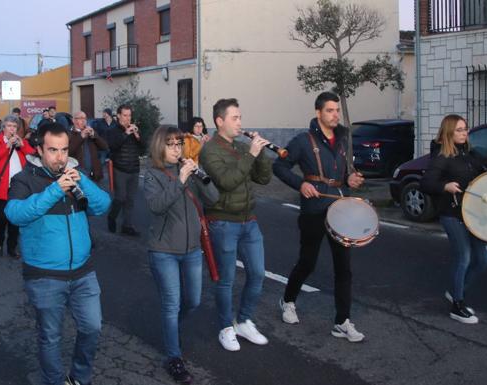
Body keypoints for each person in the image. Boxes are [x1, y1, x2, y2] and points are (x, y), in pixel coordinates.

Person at [5, 122, 111, 385]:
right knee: (51, 335)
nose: (60, 157)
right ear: (39, 149)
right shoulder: (24, 179)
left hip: (82, 271)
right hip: (44, 274)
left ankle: (79, 377)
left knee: (92, 327)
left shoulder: (74, 174)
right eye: (53, 150)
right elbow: (15, 214)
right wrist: (54, 190)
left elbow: (103, 205)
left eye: (64, 150)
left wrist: (80, 180)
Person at [273, 91, 365, 342]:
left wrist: (351, 180)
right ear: (318, 113)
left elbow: (344, 173)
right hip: (313, 210)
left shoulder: (344, 138)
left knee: (344, 268)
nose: (335, 114)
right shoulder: (303, 141)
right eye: (330, 110)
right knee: (308, 263)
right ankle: (288, 300)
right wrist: (300, 184)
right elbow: (278, 166)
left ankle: (342, 321)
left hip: (341, 208)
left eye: (337, 110)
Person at [143, 125, 219, 383]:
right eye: (171, 144)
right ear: (159, 147)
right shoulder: (153, 174)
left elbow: (213, 197)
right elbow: (156, 206)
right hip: (164, 250)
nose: (176, 149)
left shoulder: (189, 169)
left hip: (192, 249)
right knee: (171, 303)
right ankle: (174, 357)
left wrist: (200, 174)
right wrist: (181, 180)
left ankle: (170, 326)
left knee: (193, 301)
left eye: (179, 144)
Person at [420, 114, 487, 324]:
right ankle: (457, 305)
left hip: (474, 214)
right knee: (464, 258)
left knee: (484, 259)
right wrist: (445, 186)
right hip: (452, 214)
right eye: (459, 130)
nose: (464, 133)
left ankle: (455, 290)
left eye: (465, 129)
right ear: (449, 132)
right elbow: (426, 183)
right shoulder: (442, 156)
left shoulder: (471, 153)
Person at [199, 98, 272, 351]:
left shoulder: (242, 147)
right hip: (223, 222)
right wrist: (250, 154)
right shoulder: (209, 151)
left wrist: (259, 153)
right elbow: (227, 181)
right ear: (220, 121)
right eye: (235, 118)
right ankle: (225, 327)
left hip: (248, 220)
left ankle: (243, 320)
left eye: (240, 117)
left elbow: (263, 178)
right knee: (226, 279)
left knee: (258, 273)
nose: (240, 122)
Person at [0, 115, 36, 258]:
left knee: (15, 219)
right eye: (9, 126)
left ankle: (12, 247)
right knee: (1, 218)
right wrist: (7, 146)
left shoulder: (21, 142)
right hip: (0, 187)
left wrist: (23, 146)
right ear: (3, 127)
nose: (12, 129)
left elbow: (33, 156)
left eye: (14, 126)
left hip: (18, 188)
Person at [106, 104, 146, 236]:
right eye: (125, 115)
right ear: (118, 116)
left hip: (134, 169)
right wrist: (125, 134)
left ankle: (127, 226)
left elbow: (143, 149)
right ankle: (112, 216)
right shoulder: (113, 130)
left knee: (130, 200)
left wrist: (138, 136)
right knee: (120, 197)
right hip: (120, 168)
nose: (128, 118)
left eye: (129, 115)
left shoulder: (134, 130)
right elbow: (112, 146)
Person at [69, 111, 109, 182]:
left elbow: (105, 147)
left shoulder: (91, 133)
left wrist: (95, 136)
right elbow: (69, 151)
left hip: (94, 174)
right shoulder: (68, 134)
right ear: (73, 120)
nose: (83, 120)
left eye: (85, 118)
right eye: (80, 118)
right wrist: (81, 137)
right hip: (77, 175)